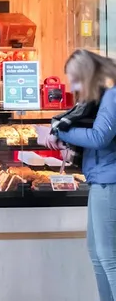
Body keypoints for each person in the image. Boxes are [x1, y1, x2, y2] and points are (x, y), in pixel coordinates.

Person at [49, 49, 116, 301]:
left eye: (75, 80)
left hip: (110, 181)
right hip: (101, 177)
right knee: (98, 254)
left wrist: (61, 132)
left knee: (109, 257)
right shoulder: (102, 95)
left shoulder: (112, 94)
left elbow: (99, 137)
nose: (73, 86)